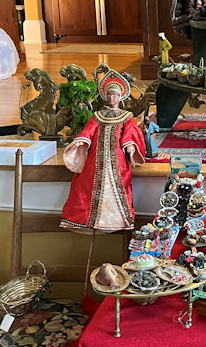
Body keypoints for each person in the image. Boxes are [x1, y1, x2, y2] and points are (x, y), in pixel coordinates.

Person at [61, 68, 145, 232]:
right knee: (88, 185)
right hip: (96, 158)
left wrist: (130, 149)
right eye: (109, 95)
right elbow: (88, 131)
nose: (112, 98)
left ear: (120, 97)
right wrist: (82, 140)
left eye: (115, 95)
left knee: (118, 187)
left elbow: (130, 133)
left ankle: (118, 220)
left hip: (118, 160)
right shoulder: (98, 116)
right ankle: (88, 219)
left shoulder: (126, 116)